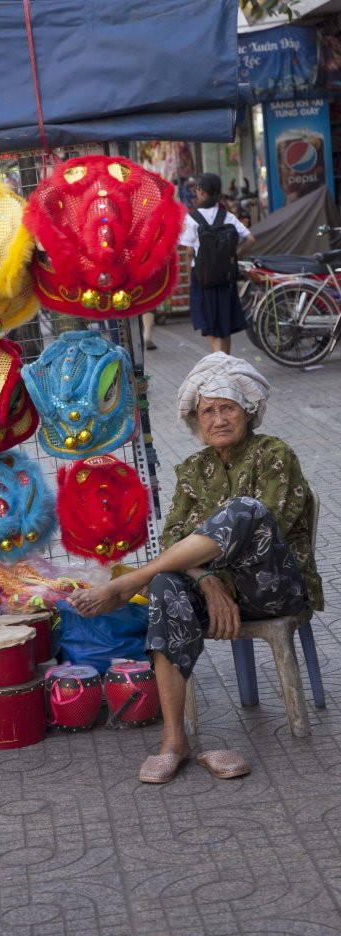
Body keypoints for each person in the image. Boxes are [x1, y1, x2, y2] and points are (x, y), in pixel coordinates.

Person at [67, 354, 323, 784]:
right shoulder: (193, 471)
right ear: (196, 419)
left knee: (245, 510)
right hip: (216, 593)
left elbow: (266, 528)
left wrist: (205, 571)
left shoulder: (274, 453)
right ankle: (174, 741)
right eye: (208, 410)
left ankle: (133, 579)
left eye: (229, 408)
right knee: (168, 581)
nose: (218, 419)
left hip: (274, 586)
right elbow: (173, 541)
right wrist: (205, 580)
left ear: (248, 412)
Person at [180, 172, 255, 355]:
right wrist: (234, 255)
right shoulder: (227, 216)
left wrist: (190, 276)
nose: (196, 193)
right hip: (225, 277)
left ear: (202, 192)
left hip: (202, 277)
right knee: (224, 325)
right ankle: (226, 360)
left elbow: (189, 252)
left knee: (209, 323)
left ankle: (218, 358)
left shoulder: (192, 218)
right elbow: (251, 239)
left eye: (198, 190)